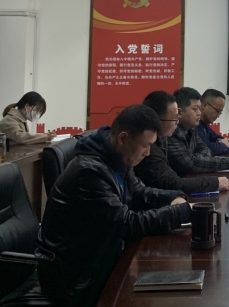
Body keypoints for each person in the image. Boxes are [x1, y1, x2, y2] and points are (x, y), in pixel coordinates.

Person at [35, 105, 191, 306]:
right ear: (123, 138)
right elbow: (126, 224)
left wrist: (173, 198)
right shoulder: (89, 172)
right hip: (75, 277)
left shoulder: (116, 158)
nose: (147, 153)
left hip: (101, 257)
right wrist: (179, 213)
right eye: (145, 145)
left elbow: (140, 193)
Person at [135, 90, 229, 193]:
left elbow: (206, 150)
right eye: (175, 117)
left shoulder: (181, 132)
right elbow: (175, 181)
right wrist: (214, 183)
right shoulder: (156, 146)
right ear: (158, 120)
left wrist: (195, 158)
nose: (177, 121)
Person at [167, 87, 229, 175]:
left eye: (199, 109)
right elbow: (191, 164)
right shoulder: (171, 133)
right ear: (180, 112)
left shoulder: (192, 129)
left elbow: (207, 150)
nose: (199, 113)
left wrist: (195, 158)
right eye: (195, 109)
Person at [196, 88, 229, 156]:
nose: (218, 115)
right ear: (204, 105)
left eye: (220, 112)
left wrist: (222, 143)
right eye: (217, 111)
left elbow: (218, 138)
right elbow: (207, 148)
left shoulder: (204, 124)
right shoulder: (194, 125)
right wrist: (224, 145)